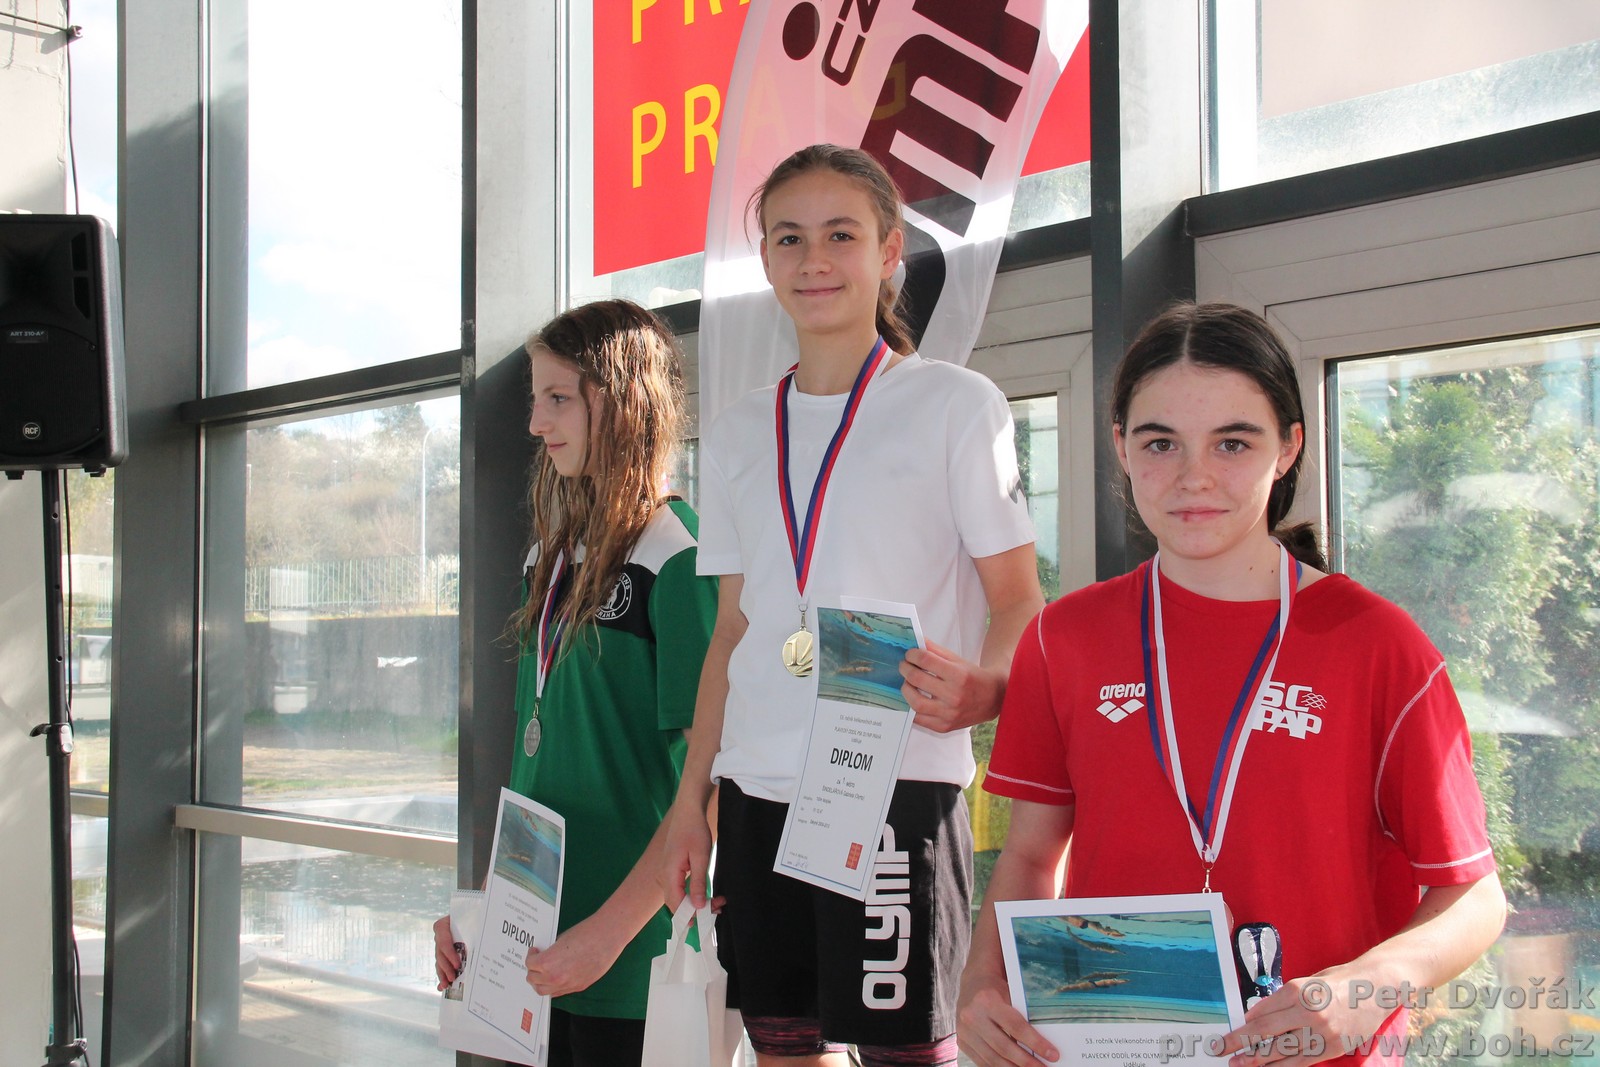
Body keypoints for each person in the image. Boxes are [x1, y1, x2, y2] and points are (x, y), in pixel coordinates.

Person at [957, 302, 1507, 1067]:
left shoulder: (1377, 645)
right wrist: (982, 982)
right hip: (1113, 1047)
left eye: (1233, 442)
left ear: (1288, 448)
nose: (1194, 476)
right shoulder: (1064, 638)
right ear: (1120, 447)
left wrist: (1370, 983)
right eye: (1161, 442)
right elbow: (1028, 855)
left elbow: (1475, 895)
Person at [659, 143, 1046, 1067]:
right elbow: (733, 631)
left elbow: (1019, 598)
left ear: (889, 251)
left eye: (841, 234)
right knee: (783, 1049)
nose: (814, 260)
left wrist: (988, 686)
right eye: (789, 238)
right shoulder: (740, 430)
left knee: (905, 1054)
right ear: (766, 259)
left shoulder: (955, 404)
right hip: (757, 791)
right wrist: (690, 801)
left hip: (895, 782)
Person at [433, 299, 718, 1067]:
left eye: (558, 398)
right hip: (537, 955)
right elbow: (539, 769)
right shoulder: (554, 560)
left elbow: (715, 786)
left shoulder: (679, 557)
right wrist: (484, 909)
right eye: (537, 399)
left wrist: (608, 934)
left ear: (623, 402)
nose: (536, 423)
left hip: (630, 967)